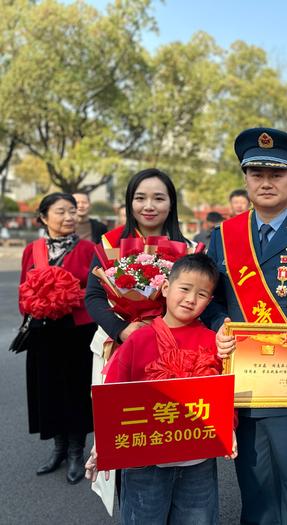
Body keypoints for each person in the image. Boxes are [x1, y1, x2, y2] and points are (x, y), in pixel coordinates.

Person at [204, 127, 287, 524]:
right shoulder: (224, 237)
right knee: (254, 481)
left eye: (276, 174)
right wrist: (220, 327)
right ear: (245, 179)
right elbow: (211, 303)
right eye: (257, 173)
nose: (266, 182)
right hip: (243, 384)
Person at [85, 253, 234, 523]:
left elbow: (224, 393)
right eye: (184, 289)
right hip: (144, 461)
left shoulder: (214, 342)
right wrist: (101, 445)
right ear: (165, 288)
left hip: (196, 462)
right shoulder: (137, 340)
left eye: (201, 294)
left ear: (210, 301)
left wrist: (228, 428)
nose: (190, 299)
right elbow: (113, 394)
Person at [19, 193, 98, 484]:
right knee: (49, 392)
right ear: (43, 217)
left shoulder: (89, 248)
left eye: (72, 211)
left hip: (77, 332)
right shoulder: (33, 250)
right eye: (61, 211)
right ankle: (59, 448)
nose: (69, 217)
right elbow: (23, 288)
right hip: (44, 332)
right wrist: (34, 305)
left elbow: (95, 291)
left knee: (75, 392)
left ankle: (77, 451)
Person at [86, 168, 193, 347]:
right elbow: (94, 296)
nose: (149, 206)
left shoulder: (190, 249)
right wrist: (121, 329)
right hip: (118, 341)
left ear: (171, 203)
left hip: (175, 343)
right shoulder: (109, 244)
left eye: (159, 198)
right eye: (140, 198)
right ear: (129, 203)